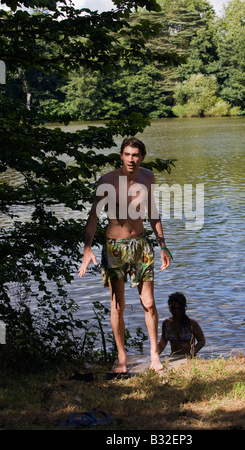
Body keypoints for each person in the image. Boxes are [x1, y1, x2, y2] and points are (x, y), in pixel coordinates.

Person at [78, 137, 171, 373]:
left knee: (148, 303)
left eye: (136, 155)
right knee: (117, 305)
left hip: (141, 244)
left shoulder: (148, 177)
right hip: (114, 247)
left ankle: (153, 354)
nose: (132, 159)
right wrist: (87, 247)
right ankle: (122, 357)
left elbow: (153, 212)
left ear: (142, 157)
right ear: (121, 155)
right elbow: (93, 217)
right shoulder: (107, 181)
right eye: (127, 154)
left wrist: (163, 245)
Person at [158, 292, 205, 357]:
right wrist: (155, 355)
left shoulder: (191, 323)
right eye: (173, 308)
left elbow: (201, 341)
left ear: (183, 308)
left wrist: (191, 353)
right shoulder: (166, 323)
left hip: (189, 357)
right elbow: (163, 342)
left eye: (178, 308)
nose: (176, 311)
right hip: (173, 357)